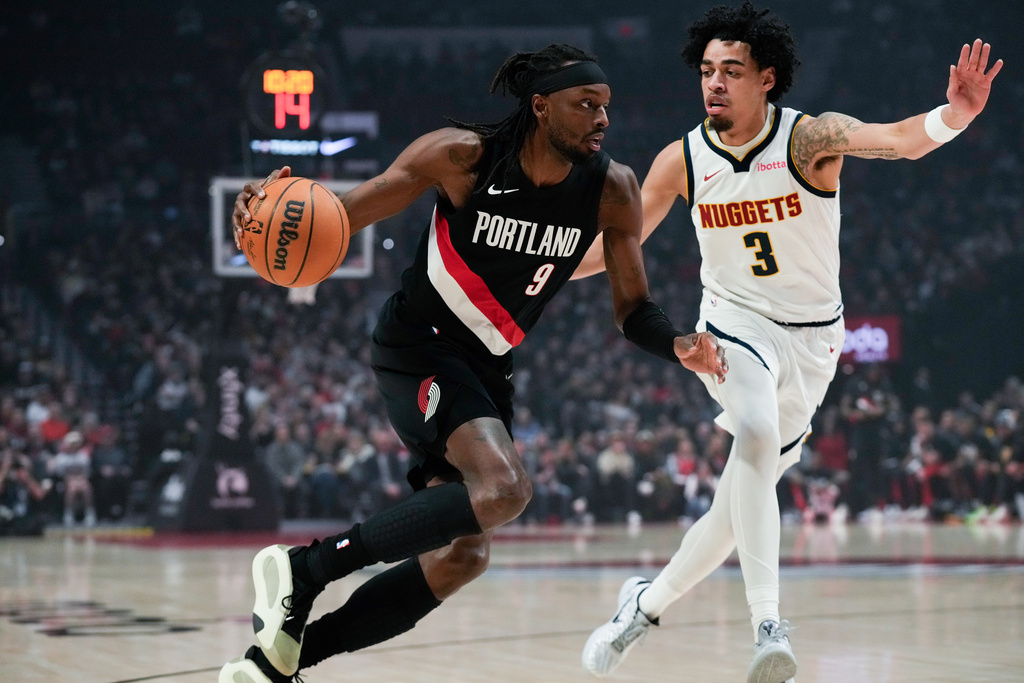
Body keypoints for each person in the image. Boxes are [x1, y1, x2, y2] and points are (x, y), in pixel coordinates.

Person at [219, 44, 728, 682]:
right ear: (541, 106)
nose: (602, 119)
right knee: (506, 489)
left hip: (487, 365)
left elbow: (633, 309)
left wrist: (676, 343)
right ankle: (306, 570)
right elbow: (343, 215)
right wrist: (272, 210)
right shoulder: (463, 157)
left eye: (606, 107)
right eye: (586, 105)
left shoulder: (612, 189)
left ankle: (278, 663)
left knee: (465, 555)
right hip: (420, 342)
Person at [577, 4, 1002, 682]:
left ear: (766, 79)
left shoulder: (810, 140)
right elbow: (613, 250)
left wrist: (955, 114)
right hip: (731, 326)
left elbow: (898, 139)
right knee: (750, 428)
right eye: (707, 71)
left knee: (734, 506)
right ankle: (767, 623)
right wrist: (530, 265)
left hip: (813, 342)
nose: (714, 83)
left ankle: (643, 606)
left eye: (731, 71)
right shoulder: (682, 158)